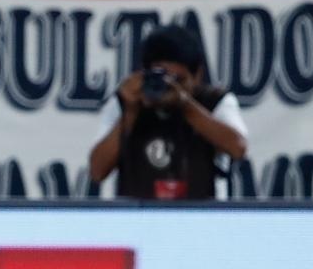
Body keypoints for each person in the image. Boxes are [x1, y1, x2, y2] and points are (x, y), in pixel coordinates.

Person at [89, 24, 248, 200]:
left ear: (198, 75)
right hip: (138, 219)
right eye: (161, 77)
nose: (170, 87)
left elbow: (238, 148)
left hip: (202, 218)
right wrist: (130, 112)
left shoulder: (215, 102)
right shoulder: (126, 103)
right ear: (144, 73)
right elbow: (97, 171)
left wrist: (185, 105)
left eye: (178, 80)